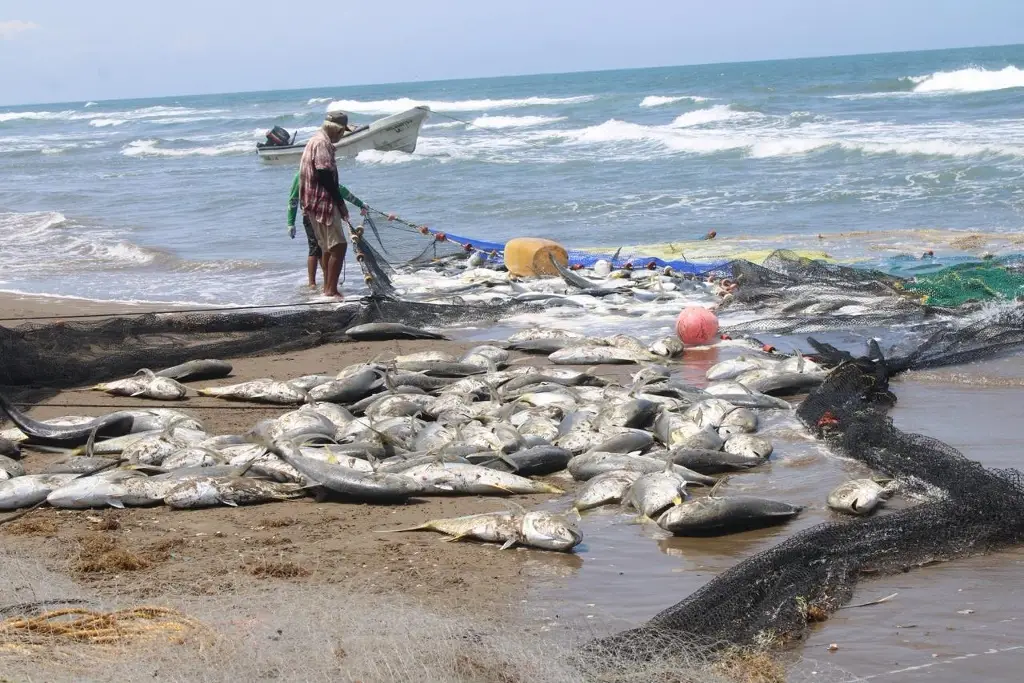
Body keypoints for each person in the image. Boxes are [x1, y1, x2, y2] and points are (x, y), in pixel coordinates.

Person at [298, 111, 356, 298]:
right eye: (341, 132)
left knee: (327, 247)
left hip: (312, 203)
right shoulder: (323, 143)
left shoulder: (314, 140)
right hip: (323, 202)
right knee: (339, 246)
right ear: (336, 129)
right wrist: (340, 203)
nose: (342, 135)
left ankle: (326, 289)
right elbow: (324, 176)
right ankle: (331, 290)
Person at [287, 170, 367, 289]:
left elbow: (340, 189)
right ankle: (312, 283)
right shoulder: (300, 175)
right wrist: (290, 222)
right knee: (315, 248)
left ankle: (327, 282)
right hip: (310, 217)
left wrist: (360, 203)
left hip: (327, 215)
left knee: (327, 248)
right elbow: (293, 199)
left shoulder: (324, 172)